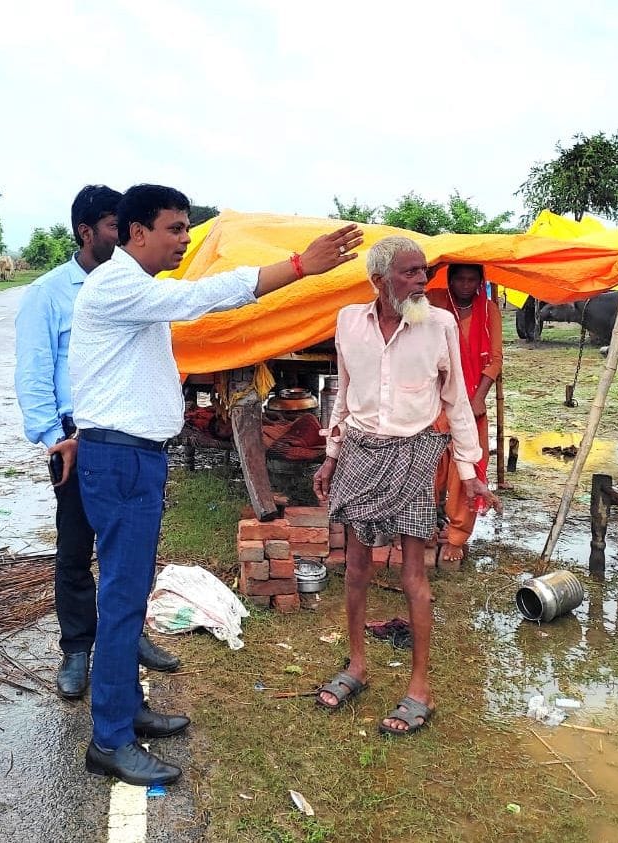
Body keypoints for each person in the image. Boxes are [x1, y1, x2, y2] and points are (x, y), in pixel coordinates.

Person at [67, 184, 362, 786]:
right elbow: (205, 296)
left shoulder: (135, 288)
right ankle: (110, 739)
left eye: (186, 227)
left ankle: (126, 709)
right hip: (120, 460)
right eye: (174, 228)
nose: (184, 240)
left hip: (132, 458)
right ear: (137, 232)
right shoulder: (119, 284)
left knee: (130, 591)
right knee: (122, 598)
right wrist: (299, 266)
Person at [313, 237, 500, 737]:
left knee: (413, 575)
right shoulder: (348, 322)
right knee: (356, 568)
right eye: (411, 272)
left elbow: (456, 400)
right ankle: (357, 665)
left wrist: (470, 472)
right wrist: (331, 455)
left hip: (416, 455)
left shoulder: (438, 325)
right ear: (379, 280)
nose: (422, 281)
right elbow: (344, 393)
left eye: (424, 272)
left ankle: (420, 688)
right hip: (359, 451)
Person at [14, 184, 181, 702]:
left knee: (126, 554)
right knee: (75, 547)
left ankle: (126, 639)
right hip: (75, 437)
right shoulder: (49, 293)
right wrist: (56, 438)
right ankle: (77, 647)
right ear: (86, 232)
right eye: (114, 225)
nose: (123, 232)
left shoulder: (140, 285)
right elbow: (34, 373)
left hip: (119, 436)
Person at [425, 263, 503, 562]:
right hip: (434, 398)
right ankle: (423, 528)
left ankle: (457, 536)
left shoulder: (490, 310)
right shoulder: (434, 299)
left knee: (466, 468)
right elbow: (406, 301)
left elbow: (494, 360)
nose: (466, 285)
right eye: (460, 279)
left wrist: (478, 398)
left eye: (472, 280)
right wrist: (429, 269)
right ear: (450, 279)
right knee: (429, 464)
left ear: (480, 282)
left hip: (471, 401)